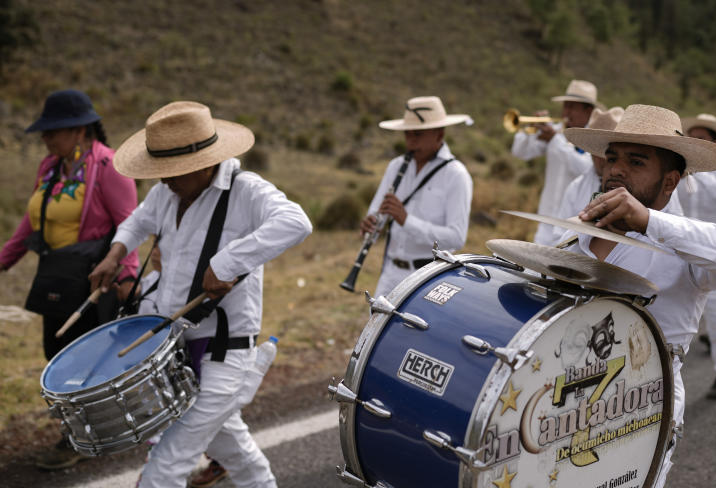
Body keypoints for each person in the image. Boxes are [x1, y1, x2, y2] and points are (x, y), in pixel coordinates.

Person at [88, 101, 312, 488]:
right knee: (235, 452)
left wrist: (228, 262)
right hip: (174, 349)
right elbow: (139, 219)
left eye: (171, 172)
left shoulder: (246, 191)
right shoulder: (166, 194)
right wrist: (115, 253)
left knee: (167, 463)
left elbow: (296, 222)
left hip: (224, 352)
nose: (164, 181)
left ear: (203, 163)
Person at [561, 104, 716, 488]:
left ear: (671, 182)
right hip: (569, 404)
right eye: (612, 159)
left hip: (643, 408)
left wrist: (649, 221)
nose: (616, 170)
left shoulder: (686, 244)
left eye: (636, 162)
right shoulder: (579, 232)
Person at [0, 89, 139, 471]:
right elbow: (32, 220)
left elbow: (131, 222)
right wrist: (4, 260)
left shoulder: (109, 166)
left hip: (93, 278)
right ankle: (87, 426)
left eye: (53, 131)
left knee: (84, 359)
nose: (46, 138)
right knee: (55, 351)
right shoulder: (50, 168)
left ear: (79, 130)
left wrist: (126, 276)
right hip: (55, 275)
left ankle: (81, 437)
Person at [363, 96, 472, 297]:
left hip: (429, 277)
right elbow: (376, 211)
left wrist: (406, 220)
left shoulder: (456, 175)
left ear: (439, 134)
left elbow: (456, 238)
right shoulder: (395, 166)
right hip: (390, 275)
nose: (410, 141)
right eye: (407, 134)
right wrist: (371, 224)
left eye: (418, 134)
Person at [677, 114, 716, 399]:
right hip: (681, 249)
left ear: (715, 143)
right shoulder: (680, 169)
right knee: (673, 315)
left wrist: (703, 173)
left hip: (715, 252)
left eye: (703, 139)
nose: (697, 144)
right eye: (694, 139)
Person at [511, 79, 595, 245]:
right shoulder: (557, 130)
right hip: (547, 218)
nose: (566, 112)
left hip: (574, 224)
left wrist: (555, 139)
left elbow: (584, 167)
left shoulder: (595, 138)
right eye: (565, 105)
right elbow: (520, 152)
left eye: (572, 107)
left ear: (588, 111)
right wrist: (530, 131)